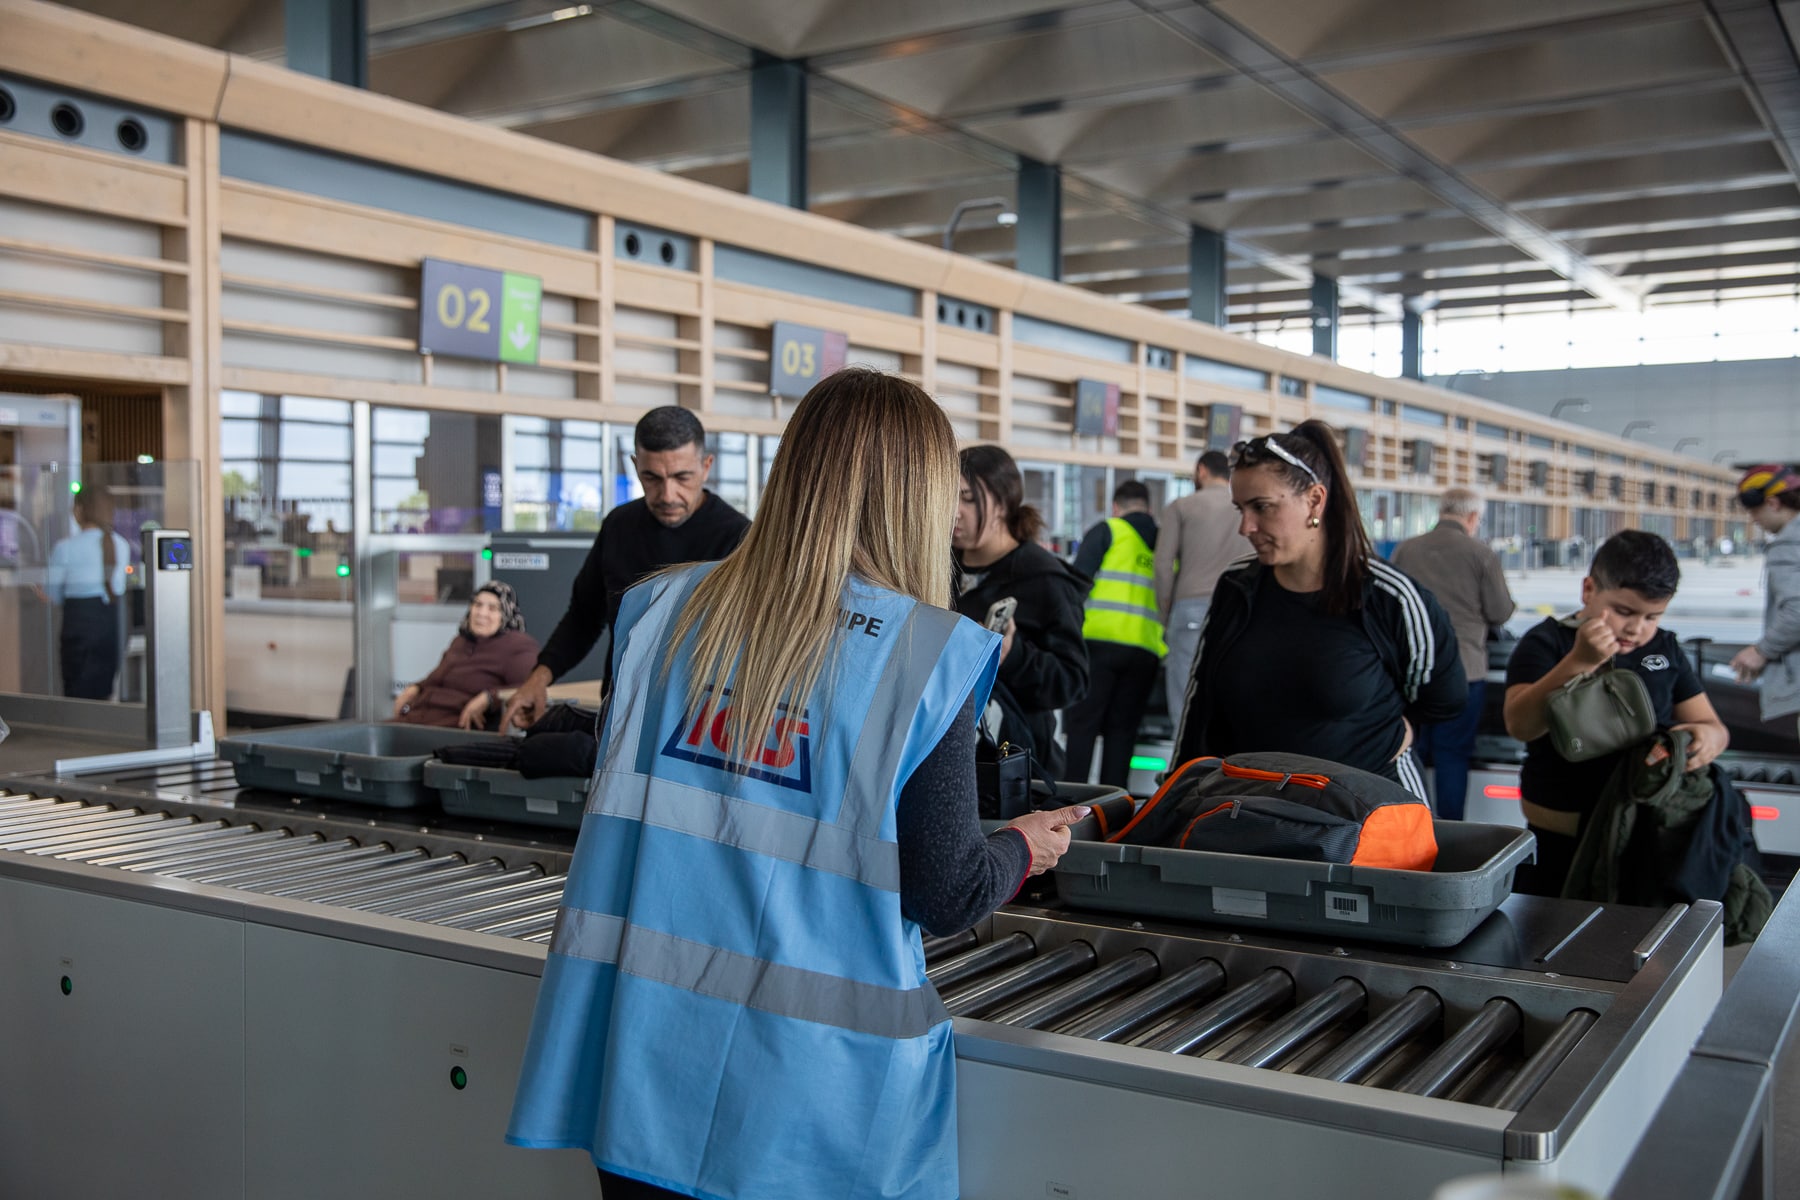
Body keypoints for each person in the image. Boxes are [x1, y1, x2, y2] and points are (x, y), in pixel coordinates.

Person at [506, 368, 1089, 1200]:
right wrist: (1024, 846)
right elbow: (948, 889)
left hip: (640, 1061)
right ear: (916, 498)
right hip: (814, 1098)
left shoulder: (655, 612)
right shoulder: (926, 653)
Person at [1173, 422, 1465, 798]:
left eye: (1261, 507)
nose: (1246, 526)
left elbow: (1446, 695)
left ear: (1314, 500)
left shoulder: (1390, 596)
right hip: (1254, 813)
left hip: (1368, 816)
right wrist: (1178, 791)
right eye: (1240, 509)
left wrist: (1398, 730)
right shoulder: (1237, 586)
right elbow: (1200, 702)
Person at [1503, 531, 1731, 896]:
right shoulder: (1547, 642)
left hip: (1642, 835)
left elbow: (1713, 726)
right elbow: (1520, 724)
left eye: (1652, 617)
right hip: (1561, 836)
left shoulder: (1665, 647)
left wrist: (1707, 740)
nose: (1636, 628)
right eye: (1624, 611)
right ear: (1589, 590)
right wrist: (1579, 662)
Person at [501, 407, 749, 729]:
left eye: (681, 477)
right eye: (652, 478)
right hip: (620, 714)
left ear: (706, 466)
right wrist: (539, 678)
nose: (667, 494)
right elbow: (583, 617)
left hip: (697, 722)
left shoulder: (739, 539)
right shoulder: (619, 526)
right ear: (635, 466)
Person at [951, 444, 1089, 778]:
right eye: (948, 496)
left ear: (1001, 503)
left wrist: (1012, 655)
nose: (953, 511)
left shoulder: (1043, 578)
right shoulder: (938, 568)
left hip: (1015, 765)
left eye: (967, 498)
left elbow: (1072, 681)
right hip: (949, 751)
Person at [1390, 487, 1516, 818]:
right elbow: (1500, 611)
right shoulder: (1480, 553)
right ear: (1472, 517)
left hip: (1410, 672)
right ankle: (1449, 832)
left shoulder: (1406, 549)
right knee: (1452, 755)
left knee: (1407, 752)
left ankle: (1410, 825)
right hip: (1465, 671)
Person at [1064, 480, 1165, 787]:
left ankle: (1073, 801)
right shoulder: (1164, 541)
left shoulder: (1109, 530)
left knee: (1083, 726)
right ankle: (1114, 809)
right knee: (1122, 733)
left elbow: (1075, 585)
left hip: (1098, 643)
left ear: (1116, 507)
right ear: (1148, 508)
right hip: (1146, 650)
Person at [1153, 450, 1247, 725]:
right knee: (1229, 696)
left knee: (1185, 703)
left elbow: (1162, 564)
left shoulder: (1181, 506)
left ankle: (1188, 766)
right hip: (1237, 609)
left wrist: (1165, 612)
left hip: (1190, 609)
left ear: (1202, 470)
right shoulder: (1243, 507)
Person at [392, 582, 539, 729]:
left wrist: (490, 697)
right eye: (477, 605)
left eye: (492, 608)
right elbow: (435, 679)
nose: (481, 613)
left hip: (456, 726)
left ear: (505, 614)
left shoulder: (518, 645)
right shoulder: (460, 641)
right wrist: (415, 688)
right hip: (418, 717)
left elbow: (530, 687)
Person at [1728, 464, 1800, 739]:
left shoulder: (1789, 545)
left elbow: (1797, 609)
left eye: (1754, 511)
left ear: (1773, 502)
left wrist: (1761, 651)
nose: (1753, 519)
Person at [45, 489, 132, 700]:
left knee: (77, 694)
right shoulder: (121, 545)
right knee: (103, 692)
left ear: (79, 510)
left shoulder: (65, 548)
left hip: (78, 625)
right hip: (112, 623)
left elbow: (54, 595)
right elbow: (118, 586)